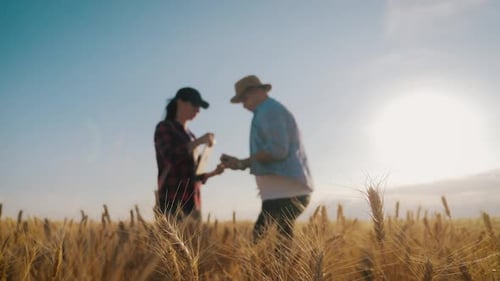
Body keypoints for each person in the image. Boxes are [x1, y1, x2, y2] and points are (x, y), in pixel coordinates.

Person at [221, 75, 313, 244]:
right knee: (273, 245)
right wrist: (240, 163)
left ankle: (282, 271)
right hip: (282, 192)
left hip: (284, 193)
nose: (243, 104)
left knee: (266, 246)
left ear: (256, 91)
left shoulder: (268, 111)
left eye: (243, 98)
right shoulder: (268, 110)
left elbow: (277, 150)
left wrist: (243, 162)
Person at [154, 87, 224, 222]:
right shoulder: (165, 127)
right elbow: (171, 157)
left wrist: (214, 172)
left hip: (193, 201)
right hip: (172, 200)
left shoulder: (191, 135)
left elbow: (193, 175)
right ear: (180, 102)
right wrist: (198, 142)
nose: (198, 110)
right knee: (171, 243)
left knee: (193, 243)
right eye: (195, 105)